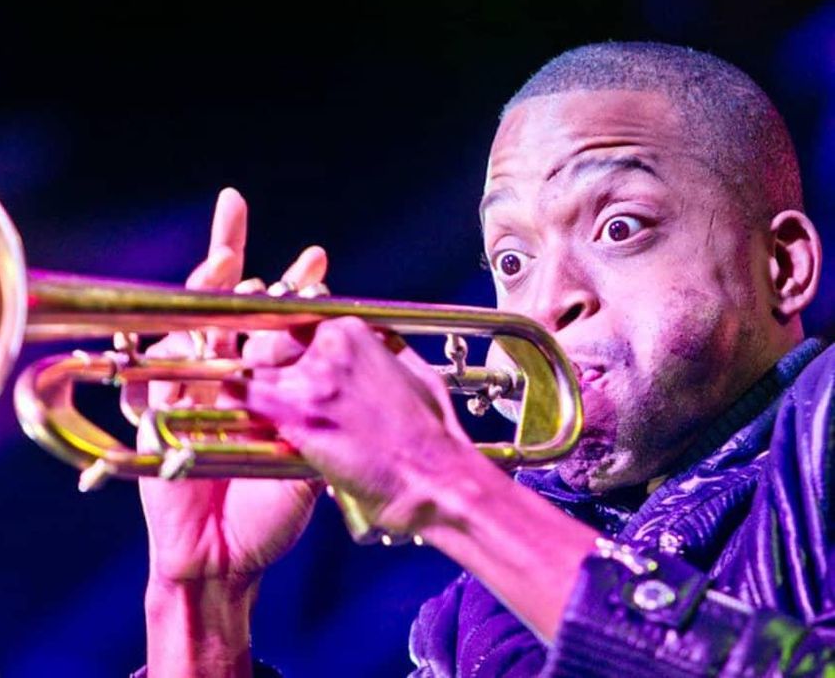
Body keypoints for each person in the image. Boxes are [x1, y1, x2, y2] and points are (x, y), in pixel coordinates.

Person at [136, 42, 835, 677]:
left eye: (619, 227)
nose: (545, 303)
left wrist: (441, 480)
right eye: (511, 259)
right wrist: (199, 605)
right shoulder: (471, 622)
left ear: (782, 265)